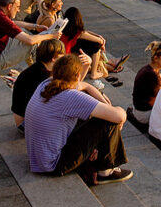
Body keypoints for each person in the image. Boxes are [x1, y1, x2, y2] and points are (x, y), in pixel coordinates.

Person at [24, 54, 132, 185]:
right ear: (76, 75)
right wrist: (114, 109)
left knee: (97, 113)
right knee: (108, 122)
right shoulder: (70, 96)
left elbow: (84, 85)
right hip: (54, 165)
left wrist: (103, 103)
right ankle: (106, 171)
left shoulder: (46, 84)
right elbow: (119, 116)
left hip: (38, 159)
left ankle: (96, 152)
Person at [11, 38, 66, 130]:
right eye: (62, 56)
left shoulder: (40, 68)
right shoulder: (41, 76)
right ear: (53, 58)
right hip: (25, 123)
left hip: (23, 119)